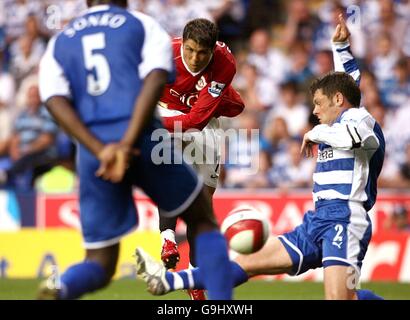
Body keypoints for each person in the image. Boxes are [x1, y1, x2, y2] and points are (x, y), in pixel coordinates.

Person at [135, 14, 385, 300]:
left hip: (346, 220)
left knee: (341, 299)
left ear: (338, 100)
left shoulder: (359, 122)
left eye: (317, 104)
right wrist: (340, 47)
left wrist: (317, 134)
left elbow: (360, 135)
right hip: (317, 220)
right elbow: (349, 83)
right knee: (246, 263)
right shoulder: (343, 114)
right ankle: (169, 282)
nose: (314, 113)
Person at [37, 0, 233, 300]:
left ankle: (62, 288)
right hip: (140, 135)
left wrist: (99, 149)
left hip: (96, 149)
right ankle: (216, 302)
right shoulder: (144, 26)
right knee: (203, 219)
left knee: (100, 264)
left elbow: (53, 101)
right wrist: (129, 141)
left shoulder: (60, 41)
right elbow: (155, 80)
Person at [155, 18, 244, 299]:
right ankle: (168, 241)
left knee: (202, 204)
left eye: (202, 53)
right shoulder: (161, 53)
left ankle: (195, 277)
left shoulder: (225, 63)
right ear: (183, 43)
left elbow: (197, 120)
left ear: (212, 51)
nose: (195, 58)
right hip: (165, 111)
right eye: (190, 50)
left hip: (200, 124)